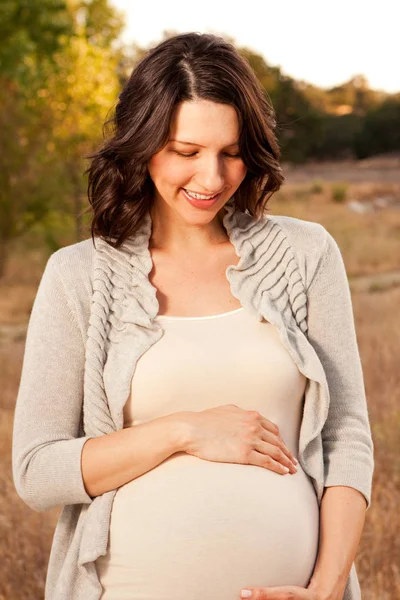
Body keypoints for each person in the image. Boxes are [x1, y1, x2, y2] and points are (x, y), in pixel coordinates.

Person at [12, 32, 374, 600]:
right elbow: (37, 471)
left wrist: (327, 589)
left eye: (231, 153)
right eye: (186, 152)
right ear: (143, 144)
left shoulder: (307, 255)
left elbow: (347, 435)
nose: (211, 179)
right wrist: (186, 430)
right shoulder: (78, 276)